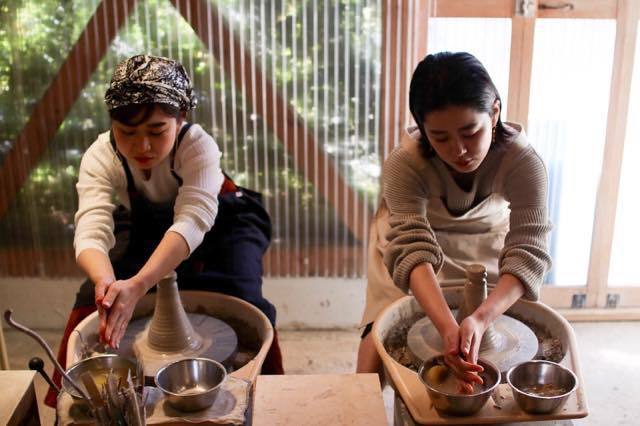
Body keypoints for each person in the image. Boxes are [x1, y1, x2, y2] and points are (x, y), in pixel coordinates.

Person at [46, 55, 283, 406]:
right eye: (127, 133)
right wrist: (108, 286)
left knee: (243, 296)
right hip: (145, 221)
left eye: (157, 131)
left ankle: (273, 398)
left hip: (223, 219)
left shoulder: (198, 145)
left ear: (180, 118)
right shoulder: (100, 155)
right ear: (112, 124)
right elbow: (91, 227)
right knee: (92, 302)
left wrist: (140, 283)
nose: (142, 146)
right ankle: (69, 402)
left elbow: (192, 220)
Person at [356, 52, 552, 392]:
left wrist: (480, 318)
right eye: (441, 137)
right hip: (412, 240)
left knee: (509, 331)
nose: (458, 150)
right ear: (421, 126)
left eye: (469, 132)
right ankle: (358, 403)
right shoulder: (405, 163)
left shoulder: (524, 163)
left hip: (485, 234)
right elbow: (411, 251)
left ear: (494, 112)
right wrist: (448, 327)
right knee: (384, 327)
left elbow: (528, 253)